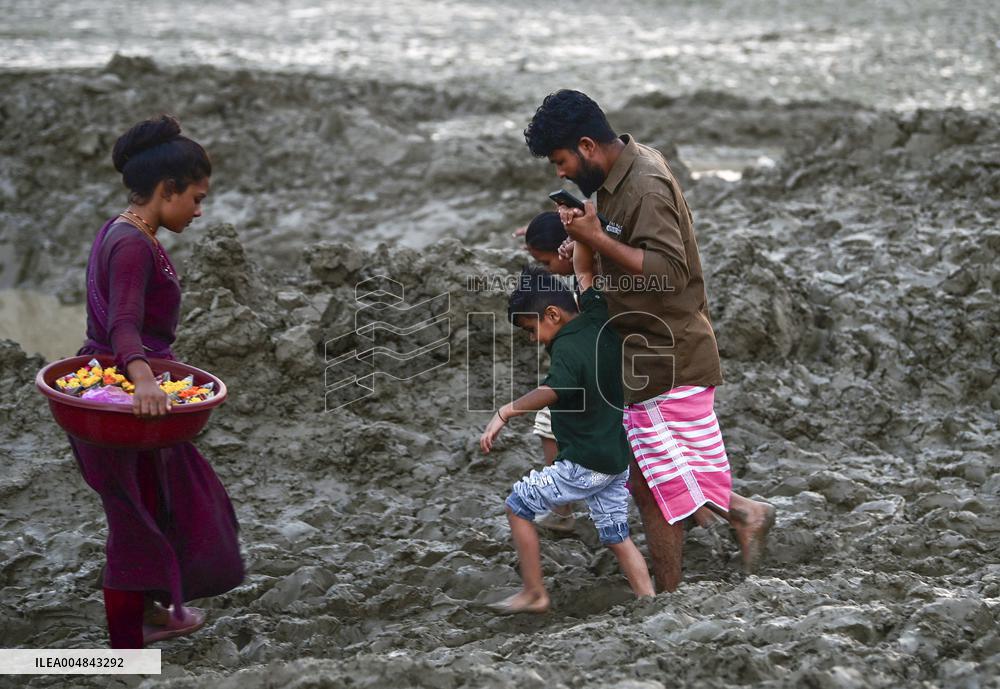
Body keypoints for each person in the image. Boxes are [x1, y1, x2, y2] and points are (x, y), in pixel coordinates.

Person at [524, 89, 776, 593]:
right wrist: (589, 243)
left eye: (561, 160)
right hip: (640, 352)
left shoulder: (645, 185)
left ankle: (670, 598)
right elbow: (629, 250)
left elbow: (668, 273)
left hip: (668, 357)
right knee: (653, 476)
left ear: (588, 145)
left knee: (654, 488)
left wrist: (598, 242)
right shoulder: (616, 177)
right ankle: (742, 517)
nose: (561, 174)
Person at [69, 115, 244, 648]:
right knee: (134, 520)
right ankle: (126, 645)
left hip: (116, 389)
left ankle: (156, 613)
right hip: (118, 401)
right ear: (166, 190)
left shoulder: (124, 229)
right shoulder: (131, 246)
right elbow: (123, 324)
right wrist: (145, 381)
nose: (199, 210)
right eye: (195, 197)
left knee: (163, 502)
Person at [478, 257, 654, 614]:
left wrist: (505, 412)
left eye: (530, 329)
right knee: (617, 536)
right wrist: (579, 240)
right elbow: (586, 276)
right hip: (615, 459)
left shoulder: (567, 350)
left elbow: (554, 389)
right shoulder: (595, 315)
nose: (531, 338)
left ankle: (534, 592)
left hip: (585, 462)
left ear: (553, 315)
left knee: (517, 506)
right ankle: (648, 600)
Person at [520, 211, 576, 531]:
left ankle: (562, 509)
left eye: (545, 261)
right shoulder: (585, 268)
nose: (545, 269)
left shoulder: (589, 274)